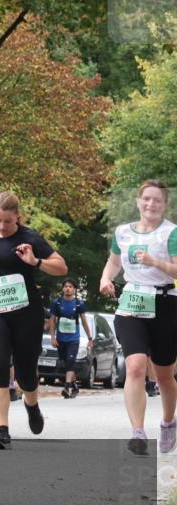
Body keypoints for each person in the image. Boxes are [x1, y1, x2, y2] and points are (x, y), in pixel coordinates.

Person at [0, 192, 68, 450]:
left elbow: (61, 267)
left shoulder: (30, 238)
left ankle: (31, 405)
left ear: (17, 217)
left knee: (25, 373)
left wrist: (35, 261)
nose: (1, 226)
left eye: (7, 221)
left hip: (26, 312)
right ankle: (2, 430)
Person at [98, 179, 177, 455]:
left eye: (157, 200)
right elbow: (114, 261)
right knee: (135, 367)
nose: (151, 204)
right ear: (138, 202)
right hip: (131, 304)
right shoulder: (122, 232)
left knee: (165, 375)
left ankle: (168, 422)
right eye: (147, 199)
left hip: (165, 304)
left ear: (165, 205)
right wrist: (106, 278)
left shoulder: (171, 233)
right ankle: (138, 432)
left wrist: (154, 262)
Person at [48, 278, 93, 399]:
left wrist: (90, 338)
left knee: (70, 362)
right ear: (63, 288)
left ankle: (67, 387)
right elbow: (52, 320)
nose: (68, 288)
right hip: (60, 338)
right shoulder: (57, 303)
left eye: (70, 287)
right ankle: (74, 385)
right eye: (66, 286)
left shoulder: (79, 303)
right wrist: (53, 337)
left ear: (74, 289)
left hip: (73, 339)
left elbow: (84, 321)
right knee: (65, 363)